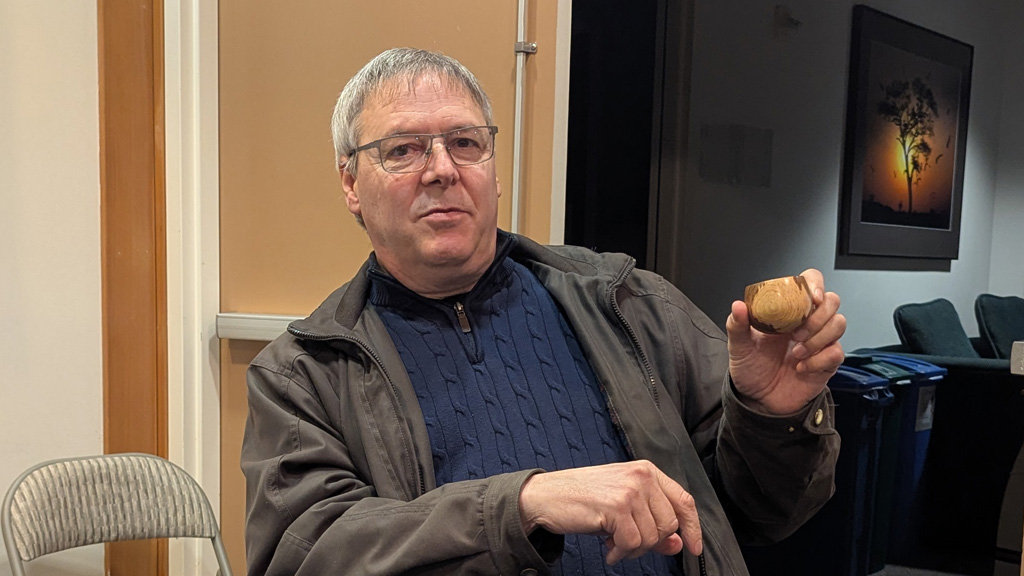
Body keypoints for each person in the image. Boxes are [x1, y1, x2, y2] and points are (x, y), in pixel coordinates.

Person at [241, 47, 845, 576]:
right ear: (350, 183)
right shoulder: (303, 374)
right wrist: (524, 505)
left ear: (494, 169)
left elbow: (767, 512)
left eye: (465, 142)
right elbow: (304, 555)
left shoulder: (629, 303)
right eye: (402, 149)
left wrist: (770, 414)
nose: (443, 169)